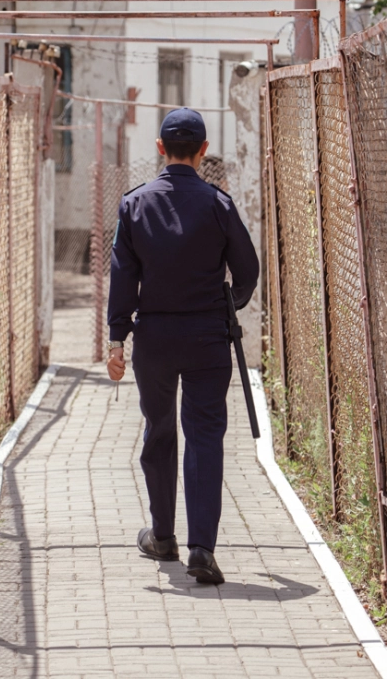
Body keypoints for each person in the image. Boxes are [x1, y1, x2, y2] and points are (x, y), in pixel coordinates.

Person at [106, 107, 259, 585]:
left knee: (159, 430)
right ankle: (202, 550)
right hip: (208, 339)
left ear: (160, 149)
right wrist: (228, 304)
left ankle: (162, 536)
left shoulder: (134, 205)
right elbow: (248, 269)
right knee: (205, 436)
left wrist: (117, 339)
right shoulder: (219, 204)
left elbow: (122, 276)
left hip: (153, 339)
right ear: (203, 151)